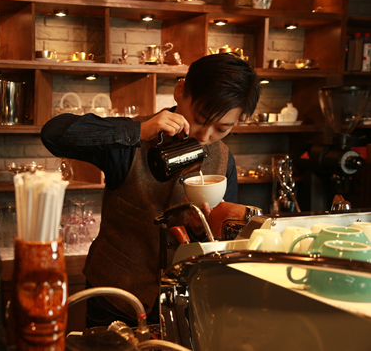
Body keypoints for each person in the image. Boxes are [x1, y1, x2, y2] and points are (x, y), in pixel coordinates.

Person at [40, 53, 260, 328]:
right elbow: (53, 134)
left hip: (183, 304)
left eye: (222, 128)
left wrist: (201, 229)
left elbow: (224, 241)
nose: (205, 136)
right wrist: (136, 130)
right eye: (201, 119)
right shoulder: (132, 138)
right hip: (115, 298)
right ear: (180, 92)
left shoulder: (224, 160)